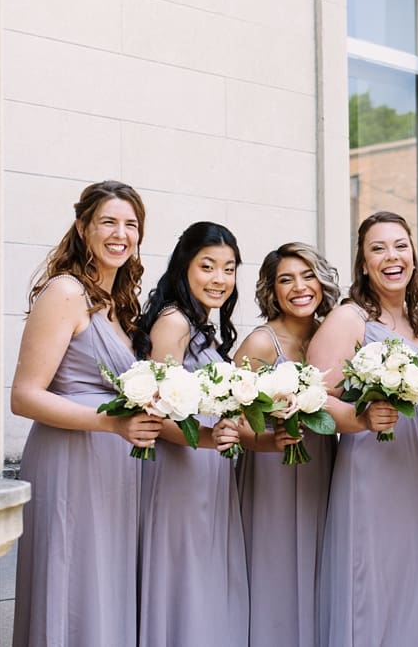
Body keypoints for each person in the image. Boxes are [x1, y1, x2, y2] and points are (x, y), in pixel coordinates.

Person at [11, 181, 162, 646]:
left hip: (114, 472)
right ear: (83, 227)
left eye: (131, 224)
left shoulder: (117, 306)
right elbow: (24, 396)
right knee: (71, 587)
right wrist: (110, 423)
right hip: (71, 464)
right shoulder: (66, 292)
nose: (121, 233)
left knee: (104, 593)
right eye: (108, 222)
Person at [311, 211, 418, 647]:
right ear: (363, 262)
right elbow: (312, 399)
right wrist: (363, 418)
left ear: (413, 254)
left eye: (400, 246)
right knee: (373, 587)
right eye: (378, 248)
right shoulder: (350, 319)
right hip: (374, 473)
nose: (392, 257)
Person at [132, 221, 249, 647]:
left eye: (229, 268)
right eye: (208, 266)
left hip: (206, 471)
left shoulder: (202, 327)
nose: (219, 279)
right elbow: (156, 411)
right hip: (179, 473)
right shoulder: (174, 322)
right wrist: (207, 439)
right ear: (185, 265)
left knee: (204, 581)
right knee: (183, 581)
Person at [227, 243, 342, 647]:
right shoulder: (261, 344)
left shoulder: (332, 337)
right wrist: (268, 440)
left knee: (316, 568)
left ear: (322, 282)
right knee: (274, 568)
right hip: (271, 472)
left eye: (307, 276)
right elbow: (227, 416)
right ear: (271, 291)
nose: (299, 288)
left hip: (321, 466)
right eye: (286, 280)